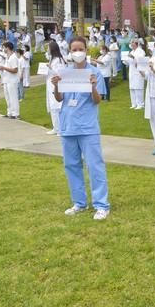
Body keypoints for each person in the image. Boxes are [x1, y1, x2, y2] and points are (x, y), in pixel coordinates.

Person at [50, 36, 110, 220]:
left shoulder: (94, 73)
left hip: (87, 126)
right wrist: (56, 86)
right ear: (69, 51)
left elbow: (97, 100)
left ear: (86, 50)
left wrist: (92, 87)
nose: (77, 52)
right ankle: (79, 202)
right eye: (74, 49)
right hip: (68, 125)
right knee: (72, 165)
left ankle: (101, 205)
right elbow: (60, 99)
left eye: (80, 49)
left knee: (94, 165)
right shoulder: (65, 72)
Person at [45, 40, 66, 135]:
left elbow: (60, 74)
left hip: (56, 85)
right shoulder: (52, 59)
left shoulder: (59, 60)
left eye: (48, 48)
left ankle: (61, 129)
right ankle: (55, 127)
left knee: (57, 107)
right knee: (52, 107)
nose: (47, 50)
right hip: (50, 84)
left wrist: (50, 68)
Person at [0, 42, 20, 119]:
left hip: (12, 80)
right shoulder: (7, 57)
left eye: (4, 47)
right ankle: (10, 112)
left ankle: (15, 113)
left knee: (13, 97)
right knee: (7, 97)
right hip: (6, 80)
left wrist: (4, 68)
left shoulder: (13, 57)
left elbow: (15, 70)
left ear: (7, 48)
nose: (3, 49)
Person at [127, 38, 146, 110]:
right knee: (132, 88)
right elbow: (129, 61)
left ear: (136, 43)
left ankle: (140, 104)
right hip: (131, 71)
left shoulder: (141, 51)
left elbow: (141, 60)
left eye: (133, 42)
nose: (131, 44)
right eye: (131, 42)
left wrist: (133, 57)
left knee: (138, 87)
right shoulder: (131, 51)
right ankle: (134, 103)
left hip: (138, 71)